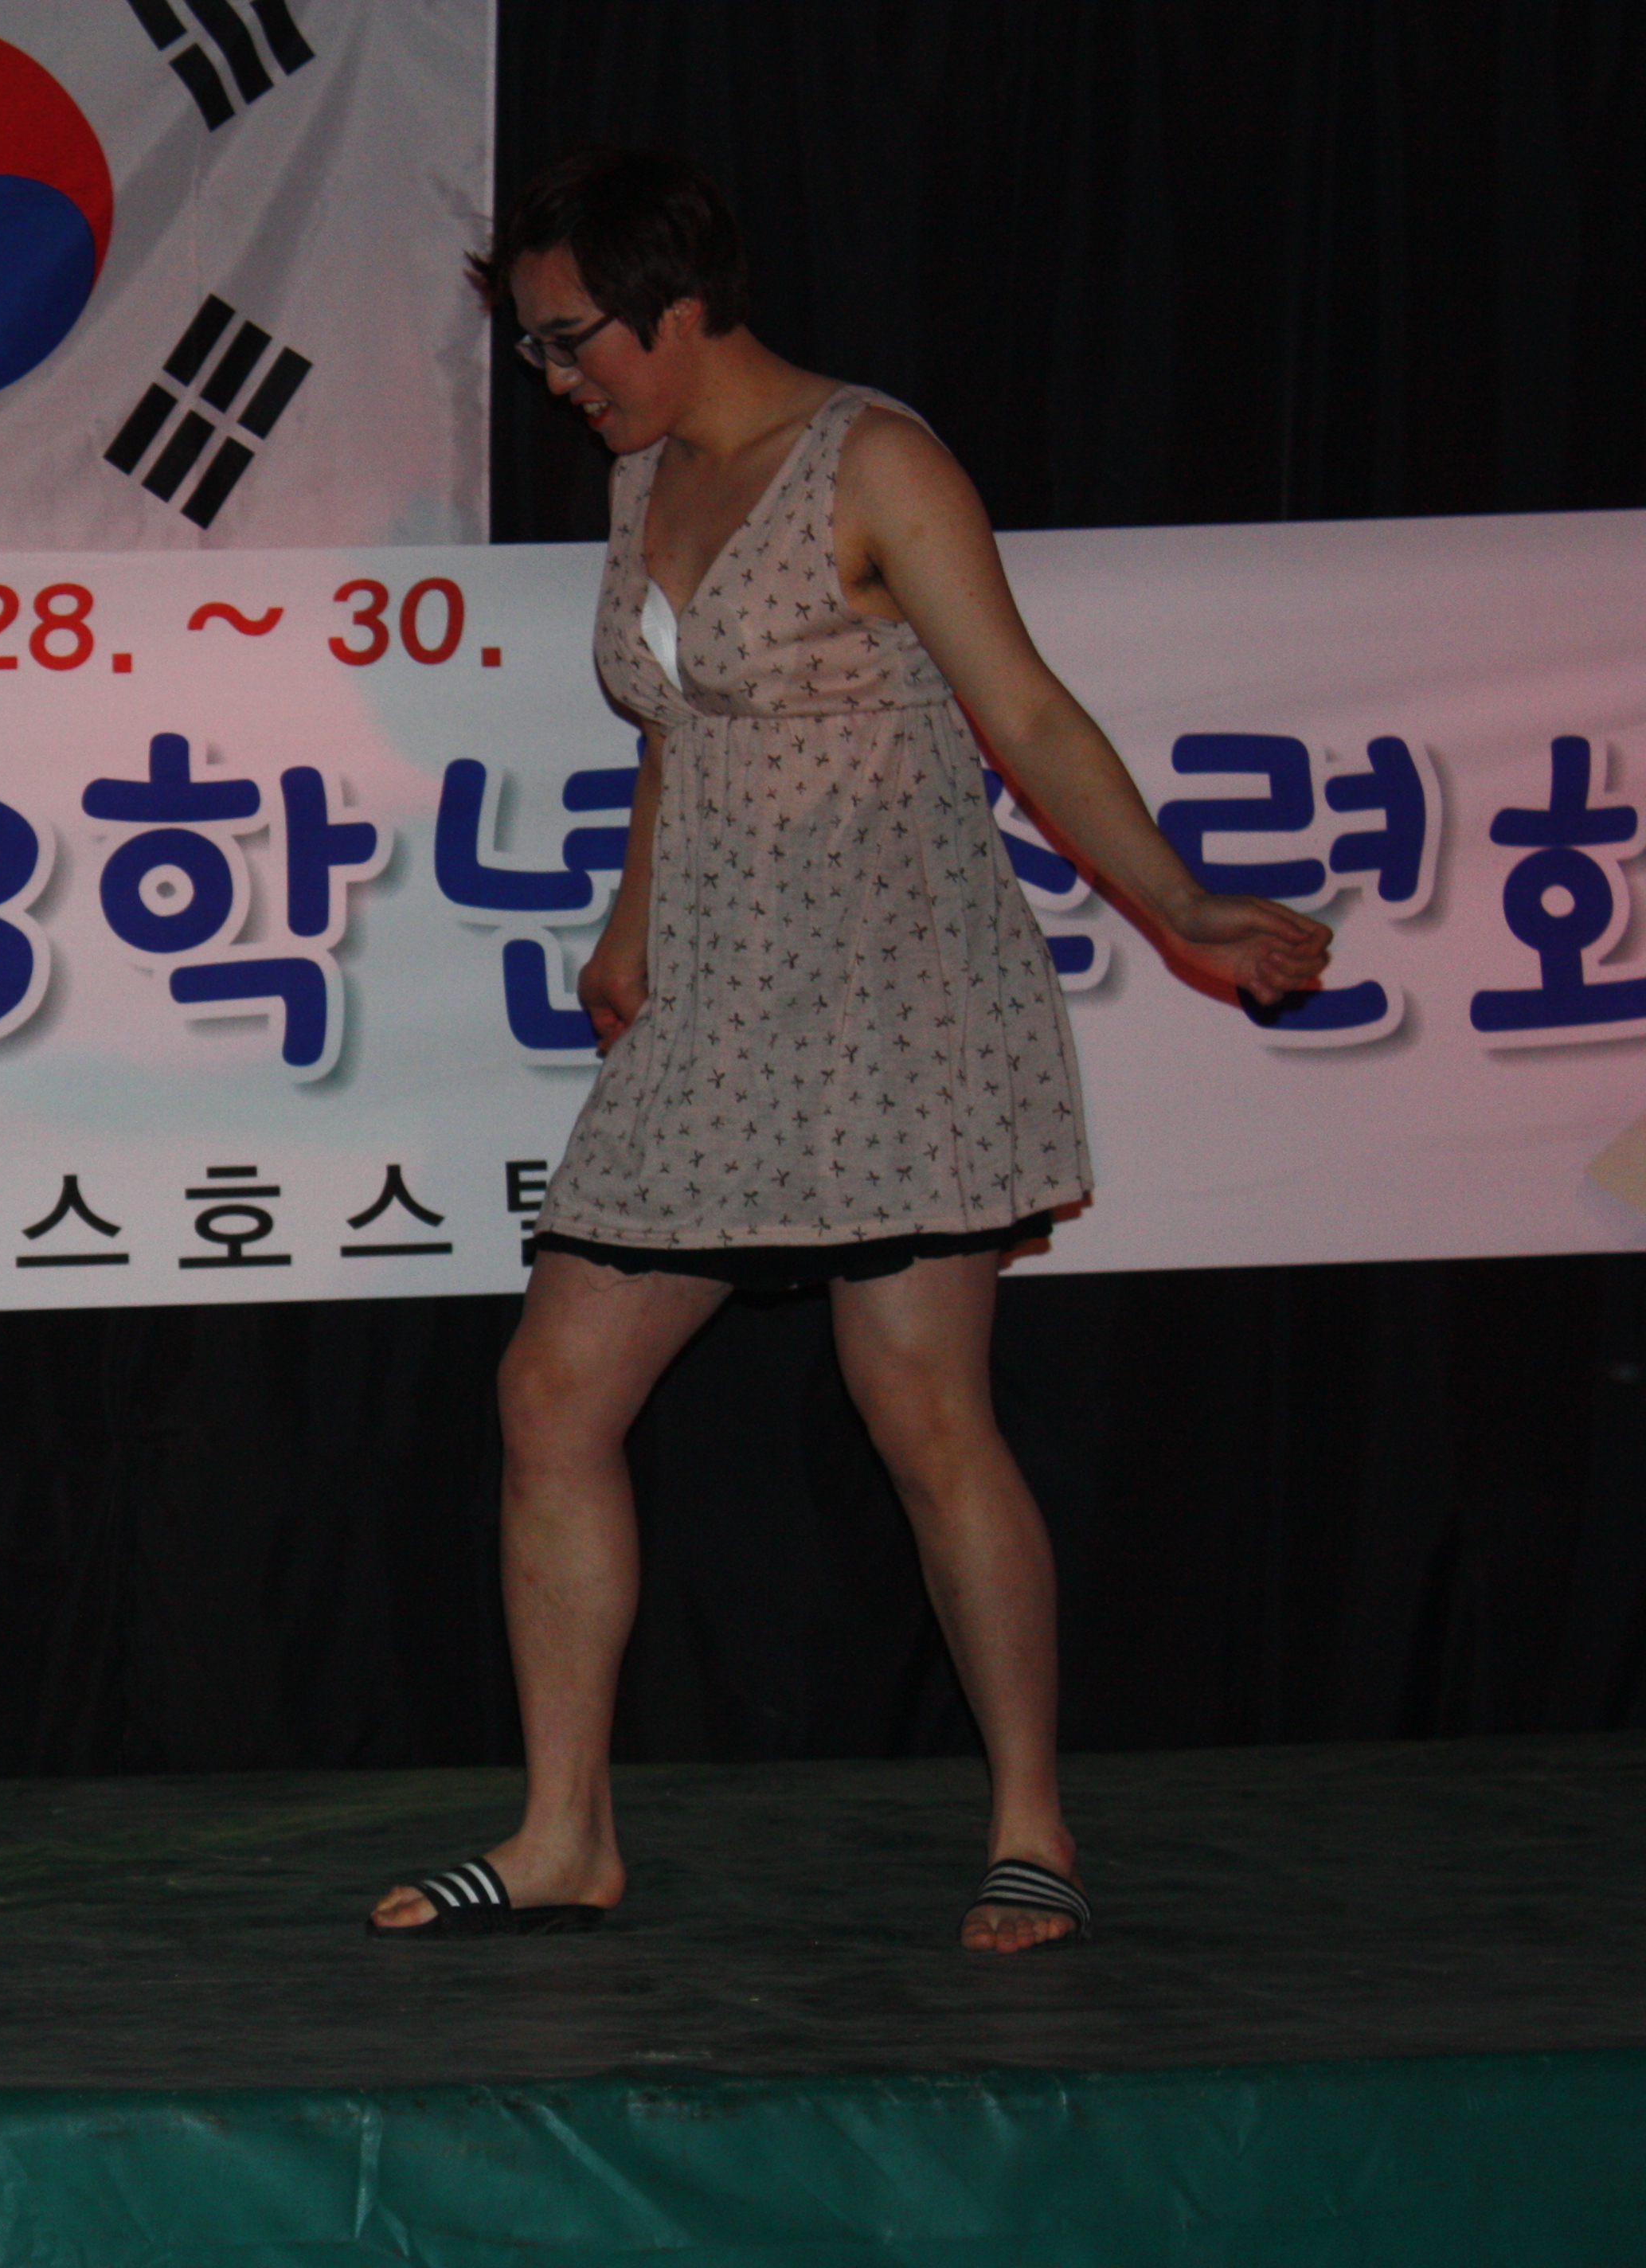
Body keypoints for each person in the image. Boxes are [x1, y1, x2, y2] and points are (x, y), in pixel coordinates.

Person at [370, 151, 1329, 1954]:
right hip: (720, 996)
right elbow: (675, 723)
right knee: (551, 1394)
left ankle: (1031, 1823)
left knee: (923, 1412)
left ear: (677, 306)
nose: (556, 379)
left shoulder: (875, 461)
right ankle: (567, 1832)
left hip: (893, 988)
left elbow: (1024, 709)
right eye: (536, 350)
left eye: (572, 341)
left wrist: (1179, 902)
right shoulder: (647, 472)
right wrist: (634, 921)